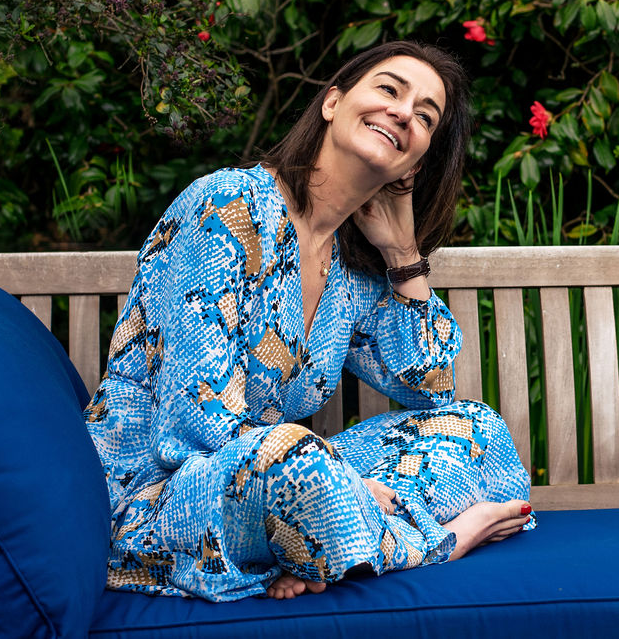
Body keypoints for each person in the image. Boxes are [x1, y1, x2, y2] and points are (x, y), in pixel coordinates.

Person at [84, 40, 535, 602]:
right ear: (333, 102)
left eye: (425, 116)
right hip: (161, 495)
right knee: (299, 462)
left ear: (416, 163)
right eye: (389, 90)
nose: (403, 113)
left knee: (477, 429)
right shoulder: (228, 205)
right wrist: (347, 485)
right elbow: (197, 425)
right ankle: (437, 541)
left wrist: (402, 253)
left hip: (277, 482)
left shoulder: (350, 266)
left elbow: (432, 392)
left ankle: (321, 541)